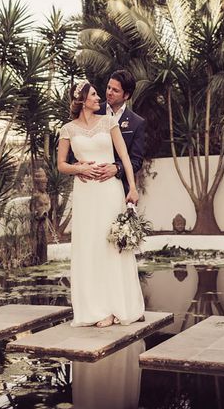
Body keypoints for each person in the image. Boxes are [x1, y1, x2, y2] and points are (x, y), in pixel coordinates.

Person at [57, 80, 145, 328]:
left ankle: (118, 307)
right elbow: (61, 164)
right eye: (95, 94)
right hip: (85, 194)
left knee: (111, 247)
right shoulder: (68, 129)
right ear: (82, 100)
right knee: (90, 248)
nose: (101, 98)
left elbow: (125, 158)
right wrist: (79, 168)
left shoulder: (109, 122)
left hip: (109, 191)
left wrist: (133, 188)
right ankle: (96, 309)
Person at [88, 70, 146, 194]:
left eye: (115, 90)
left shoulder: (137, 123)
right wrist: (77, 165)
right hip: (90, 183)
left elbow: (136, 161)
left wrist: (117, 168)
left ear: (126, 95)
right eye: (108, 87)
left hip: (119, 187)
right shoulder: (93, 112)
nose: (109, 92)